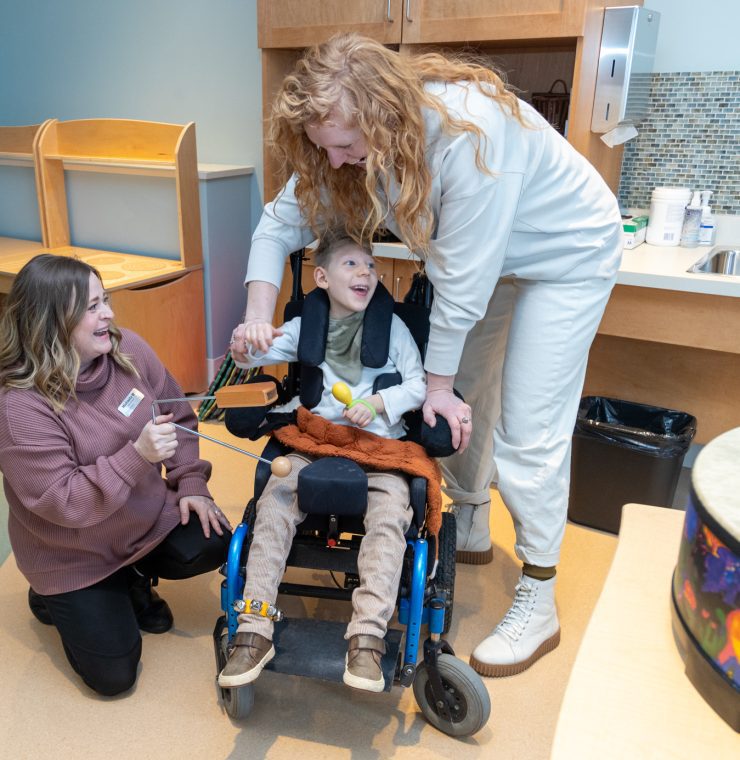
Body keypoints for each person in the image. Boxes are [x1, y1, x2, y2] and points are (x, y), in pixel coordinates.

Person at [231, 34, 624, 679]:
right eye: (325, 147)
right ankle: (468, 516)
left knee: (527, 424)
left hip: (566, 255)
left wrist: (431, 387)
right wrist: (256, 317)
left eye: (347, 148)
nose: (335, 160)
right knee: (468, 393)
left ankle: (540, 591)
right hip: (487, 264)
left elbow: (462, 285)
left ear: (383, 116)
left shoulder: (471, 136)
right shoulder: (347, 138)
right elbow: (279, 224)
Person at [0, 254, 232, 697]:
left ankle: (132, 577)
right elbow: (65, 501)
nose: (108, 313)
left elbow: (177, 415)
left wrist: (191, 482)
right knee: (114, 678)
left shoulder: (129, 351)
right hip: (72, 552)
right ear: (50, 321)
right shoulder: (20, 408)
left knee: (215, 535)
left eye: (104, 299)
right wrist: (137, 456)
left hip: (139, 517)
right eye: (91, 307)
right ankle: (52, 595)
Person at [218, 233, 427, 693]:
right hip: (315, 440)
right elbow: (260, 352)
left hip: (377, 447)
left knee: (391, 516)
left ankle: (368, 637)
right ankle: (254, 629)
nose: (365, 273)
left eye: (370, 266)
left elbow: (417, 385)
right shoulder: (305, 324)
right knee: (274, 502)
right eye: (351, 264)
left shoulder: (391, 327)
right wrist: (245, 344)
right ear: (322, 277)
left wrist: (377, 404)